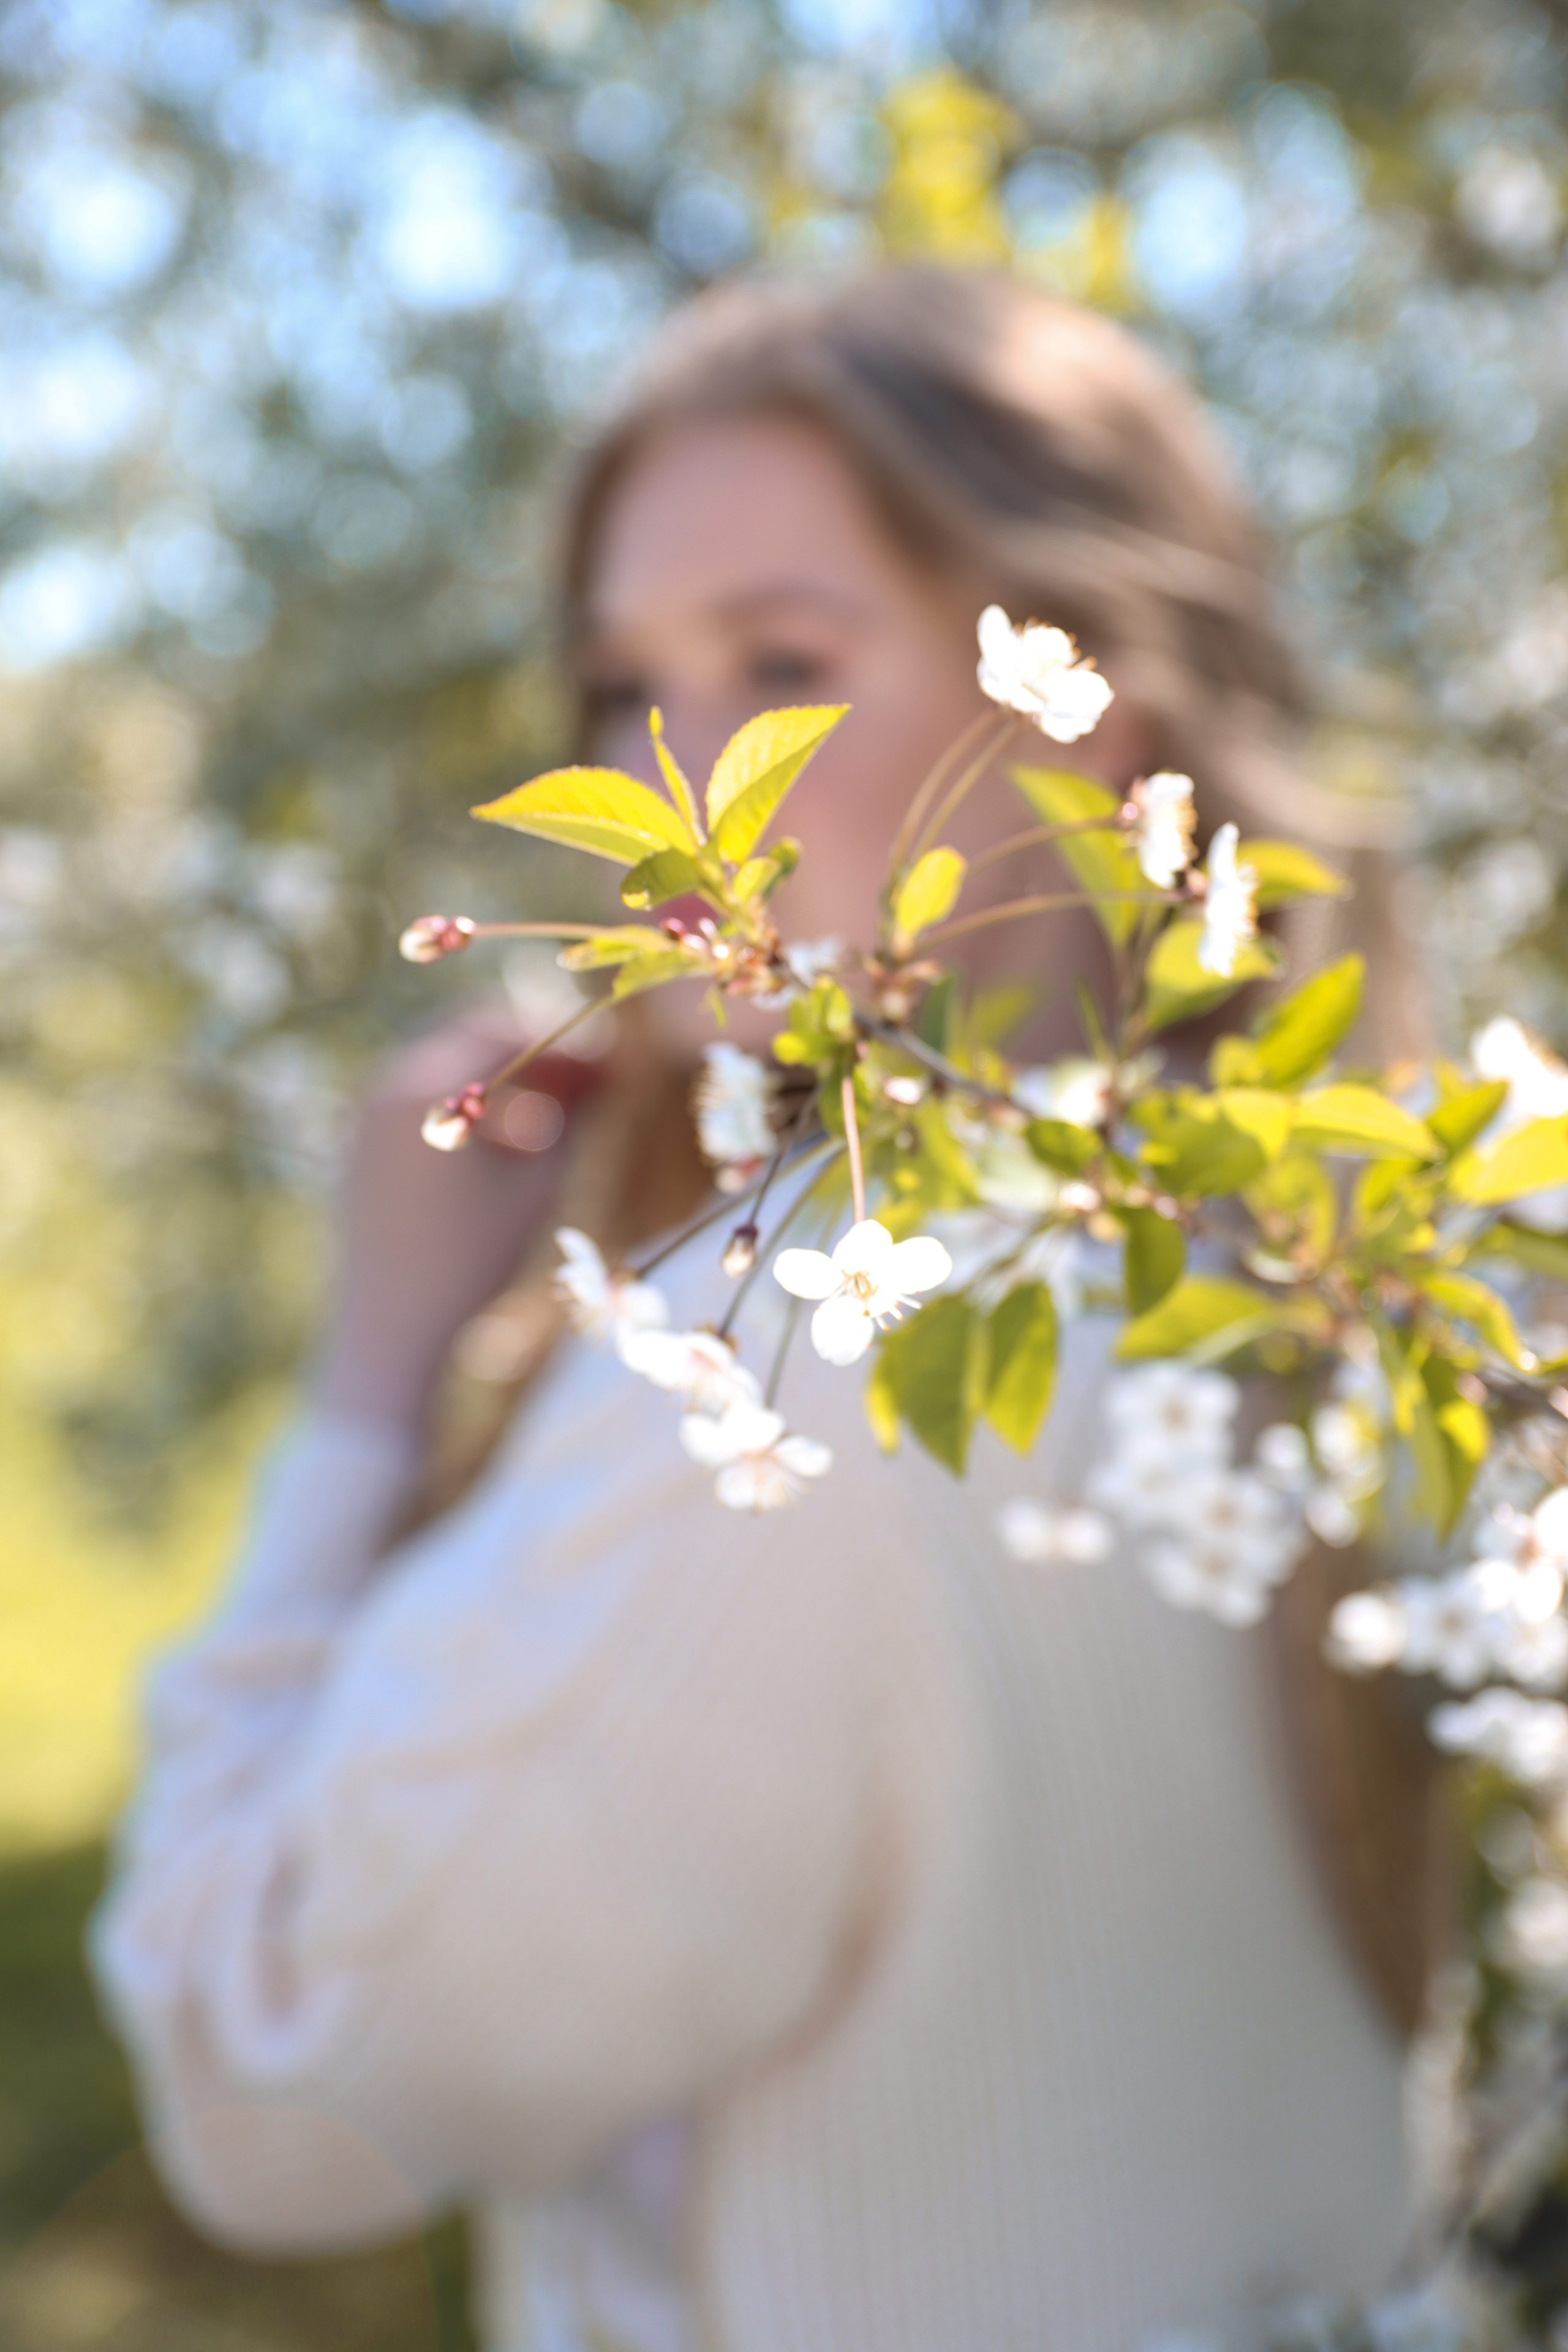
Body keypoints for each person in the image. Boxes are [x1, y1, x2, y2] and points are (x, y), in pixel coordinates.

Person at [91, 267, 1444, 2352]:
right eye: (627, 686)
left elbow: (269, 2083)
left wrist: (373, 1380)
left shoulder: (783, 1374)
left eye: (784, 664)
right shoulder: (1320, 1259)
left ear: (1104, 709)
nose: (674, 794)